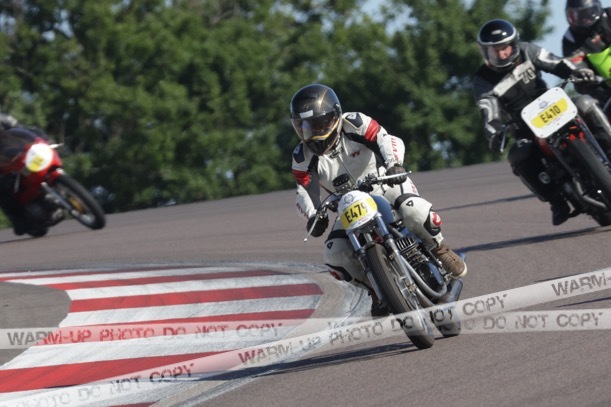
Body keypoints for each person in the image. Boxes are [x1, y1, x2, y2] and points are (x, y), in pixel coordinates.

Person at [289, 83, 467, 315]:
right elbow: (304, 191)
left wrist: (394, 164)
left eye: (317, 124)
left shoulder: (355, 123)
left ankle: (439, 248)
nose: (311, 133)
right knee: (334, 252)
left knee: (413, 210)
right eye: (304, 126)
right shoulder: (301, 157)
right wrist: (314, 216)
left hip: (384, 184)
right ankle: (376, 288)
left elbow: (386, 138)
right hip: (346, 204)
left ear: (334, 117)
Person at [472, 19, 605, 226]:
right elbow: (488, 110)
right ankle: (556, 201)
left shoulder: (527, 51)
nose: (501, 54)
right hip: (524, 126)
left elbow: (555, 62)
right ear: (485, 52)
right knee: (518, 153)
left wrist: (576, 72)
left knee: (585, 103)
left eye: (505, 48)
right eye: (494, 50)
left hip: (553, 104)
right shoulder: (483, 80)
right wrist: (495, 131)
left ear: (514, 44)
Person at [562, 0, 611, 154]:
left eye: (586, 13)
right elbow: (574, 64)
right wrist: (583, 73)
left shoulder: (610, 15)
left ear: (596, 9)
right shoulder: (571, 39)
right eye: (575, 15)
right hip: (604, 90)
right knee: (587, 108)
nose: (582, 19)